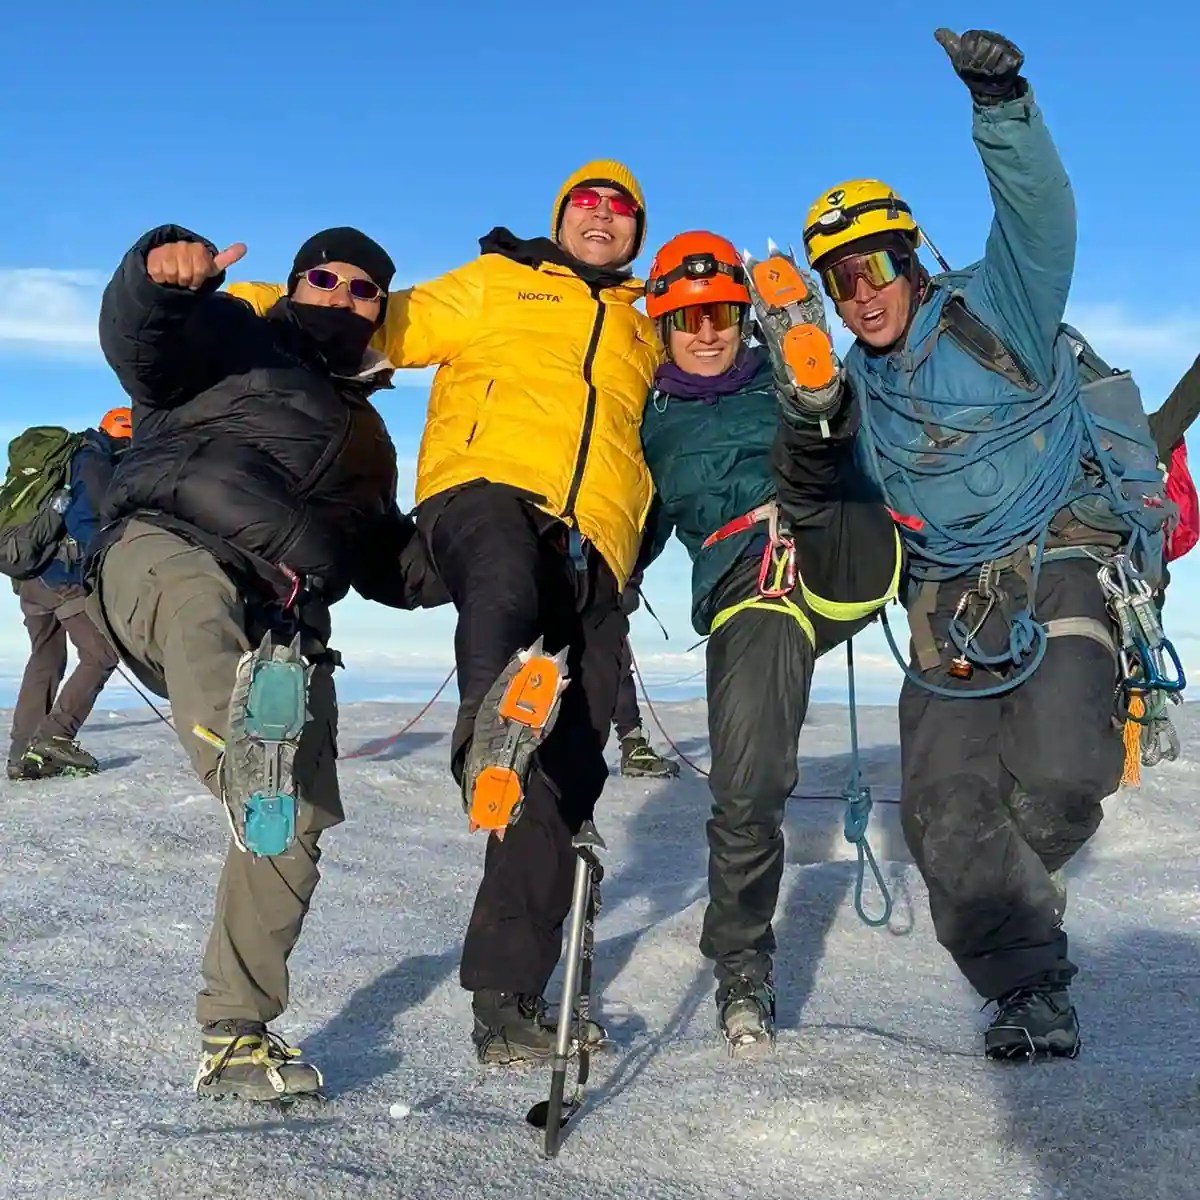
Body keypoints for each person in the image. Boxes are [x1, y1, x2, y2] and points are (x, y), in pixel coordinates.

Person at [784, 27, 1175, 1059]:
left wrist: (1002, 109)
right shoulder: (851, 388)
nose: (858, 291)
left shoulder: (995, 308)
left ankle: (1014, 891)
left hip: (1061, 554)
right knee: (945, 808)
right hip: (948, 600)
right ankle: (1029, 988)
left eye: (871, 264)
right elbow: (815, 472)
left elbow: (1040, 216)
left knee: (1060, 772)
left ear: (909, 257)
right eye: (837, 279)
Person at [230, 161, 660, 1063]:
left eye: (621, 210)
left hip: (594, 551)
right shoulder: (499, 283)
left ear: (636, 231)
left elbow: (702, 390)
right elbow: (370, 316)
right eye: (587, 201)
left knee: (568, 777)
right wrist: (230, 296)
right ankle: (482, 736)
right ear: (562, 215)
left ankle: (507, 1004)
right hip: (486, 496)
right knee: (502, 583)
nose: (602, 217)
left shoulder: (641, 324)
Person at [91, 223, 422, 1102]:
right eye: (325, 277)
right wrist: (157, 275)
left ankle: (235, 1033)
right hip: (168, 546)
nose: (342, 297)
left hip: (287, 620)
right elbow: (143, 344)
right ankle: (243, 759)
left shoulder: (372, 440)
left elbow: (390, 561)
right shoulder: (234, 336)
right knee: (202, 608)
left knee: (295, 820)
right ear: (292, 283)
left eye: (364, 289)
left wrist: (494, 553)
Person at [637, 231, 901, 1049]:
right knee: (748, 782)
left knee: (816, 442)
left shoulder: (757, 385)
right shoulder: (648, 424)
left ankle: (809, 389)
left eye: (723, 313)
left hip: (833, 541)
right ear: (663, 327)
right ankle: (743, 965)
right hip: (747, 590)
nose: (709, 331)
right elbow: (630, 533)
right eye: (689, 318)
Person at [6, 408, 129, 780]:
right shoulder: (94, 462)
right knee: (101, 654)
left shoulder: (70, 457)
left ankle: (22, 754)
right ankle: (56, 735)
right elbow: (86, 524)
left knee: (46, 657)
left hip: (30, 575)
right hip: (62, 576)